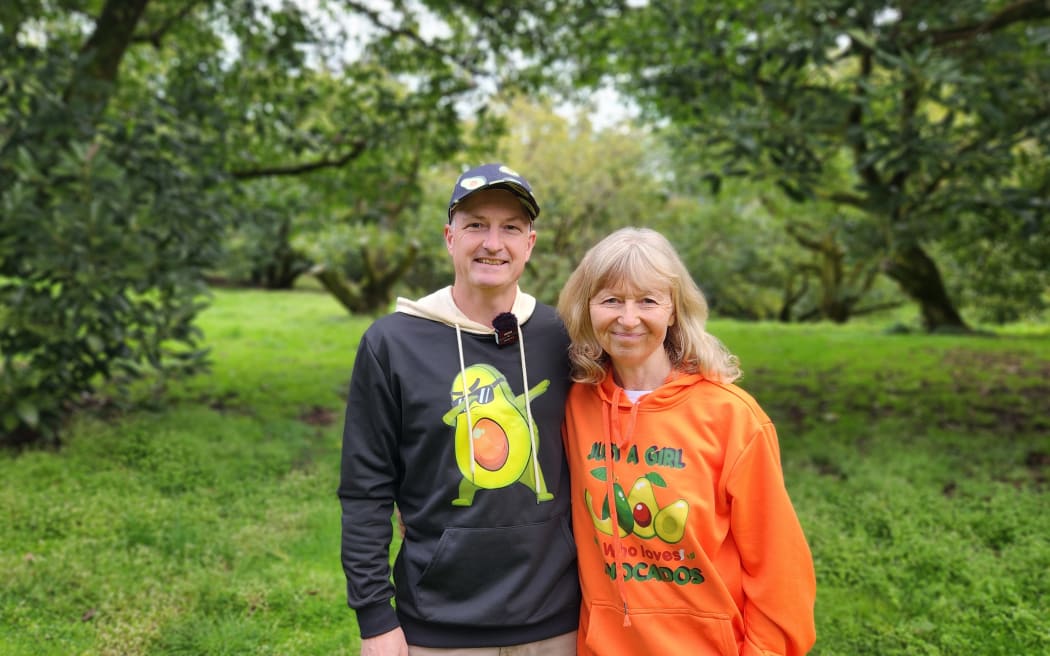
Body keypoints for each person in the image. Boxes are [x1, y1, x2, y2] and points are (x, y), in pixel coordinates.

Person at [338, 163, 579, 656]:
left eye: (510, 227)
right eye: (476, 226)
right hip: (437, 624)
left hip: (558, 619)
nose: (493, 243)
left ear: (529, 243)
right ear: (450, 237)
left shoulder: (565, 337)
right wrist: (374, 618)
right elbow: (365, 490)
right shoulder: (393, 343)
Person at [556, 227, 816, 656]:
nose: (627, 318)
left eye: (647, 300)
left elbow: (779, 569)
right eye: (611, 300)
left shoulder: (731, 417)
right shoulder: (576, 406)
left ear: (674, 310)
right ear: (587, 308)